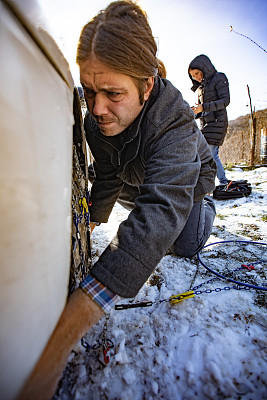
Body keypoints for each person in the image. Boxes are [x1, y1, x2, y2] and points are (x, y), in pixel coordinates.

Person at [19, 2, 217, 399]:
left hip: (187, 187)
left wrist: (53, 351)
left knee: (180, 241)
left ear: (146, 86)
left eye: (112, 93)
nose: (97, 108)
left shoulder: (175, 120)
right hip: (140, 181)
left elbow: (158, 211)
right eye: (90, 91)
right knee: (141, 218)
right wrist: (91, 220)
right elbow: (107, 176)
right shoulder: (98, 118)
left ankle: (206, 209)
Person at [188, 54, 230, 185]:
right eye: (193, 76)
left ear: (204, 69)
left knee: (211, 154)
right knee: (202, 154)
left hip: (218, 122)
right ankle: (207, 184)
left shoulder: (219, 78)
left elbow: (225, 101)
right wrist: (194, 112)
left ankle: (223, 182)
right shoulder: (201, 88)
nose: (196, 77)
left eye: (197, 73)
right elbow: (204, 110)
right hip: (206, 125)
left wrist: (203, 107)